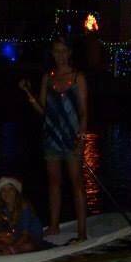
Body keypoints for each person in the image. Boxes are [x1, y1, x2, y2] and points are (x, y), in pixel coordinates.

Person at [18, 37, 89, 242]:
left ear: (69, 53)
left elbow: (84, 112)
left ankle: (82, 231)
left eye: (63, 50)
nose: (60, 55)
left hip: (72, 138)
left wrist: (81, 139)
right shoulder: (47, 78)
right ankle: (54, 225)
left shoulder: (78, 77)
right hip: (51, 138)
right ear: (52, 53)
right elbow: (43, 110)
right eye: (56, 51)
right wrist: (27, 93)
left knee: (76, 183)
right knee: (54, 183)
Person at [0, 177, 43, 254]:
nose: (7, 193)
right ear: (0, 194)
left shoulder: (24, 206)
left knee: (29, 246)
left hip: (31, 236)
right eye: (3, 190)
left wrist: (14, 246)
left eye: (11, 189)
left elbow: (25, 235)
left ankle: (10, 249)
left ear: (16, 192)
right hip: (14, 236)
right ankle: (4, 248)